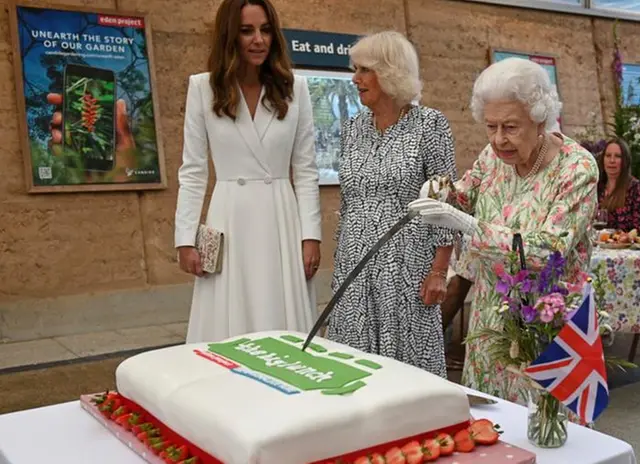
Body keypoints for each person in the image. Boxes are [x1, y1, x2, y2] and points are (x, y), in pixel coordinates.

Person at [408, 57, 599, 404]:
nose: (499, 139)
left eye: (510, 127)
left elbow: (549, 249)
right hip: (491, 316)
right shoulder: (493, 156)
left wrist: (467, 224)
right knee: (491, 423)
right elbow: (464, 194)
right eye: (490, 126)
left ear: (539, 119)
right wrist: (438, 190)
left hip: (546, 320)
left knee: (547, 430)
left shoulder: (577, 167)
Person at [174, 0, 322, 343]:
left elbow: (306, 169)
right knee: (228, 320)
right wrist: (185, 238)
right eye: (247, 30)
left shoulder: (294, 88)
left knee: (282, 314)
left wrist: (310, 235)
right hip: (229, 218)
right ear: (229, 35)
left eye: (266, 30)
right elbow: (193, 171)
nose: (259, 40)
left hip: (281, 218)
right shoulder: (203, 88)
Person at [326, 31, 458, 378]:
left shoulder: (430, 125)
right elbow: (348, 197)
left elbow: (444, 200)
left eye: (364, 70)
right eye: (355, 70)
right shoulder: (353, 128)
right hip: (354, 263)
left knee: (407, 368)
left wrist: (439, 271)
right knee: (354, 366)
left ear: (390, 72)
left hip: (407, 267)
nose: (355, 79)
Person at [597, 137, 640, 238]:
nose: (612, 160)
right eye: (608, 155)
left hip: (629, 249)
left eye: (618, 156)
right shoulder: (597, 188)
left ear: (625, 161)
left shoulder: (639, 189)